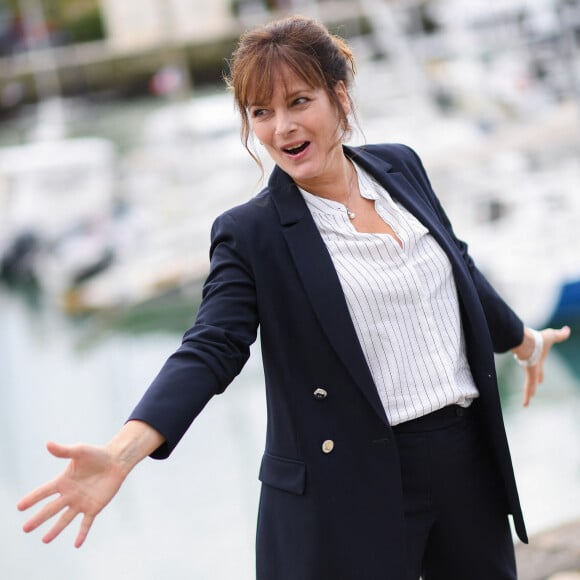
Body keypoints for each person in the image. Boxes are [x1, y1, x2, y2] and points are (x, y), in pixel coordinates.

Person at [18, 15, 570, 580]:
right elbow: (212, 346)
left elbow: (457, 269)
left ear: (339, 96)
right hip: (352, 483)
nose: (281, 128)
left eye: (298, 102)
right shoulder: (250, 233)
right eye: (261, 112)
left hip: (465, 463)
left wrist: (524, 340)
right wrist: (122, 452)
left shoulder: (400, 165)